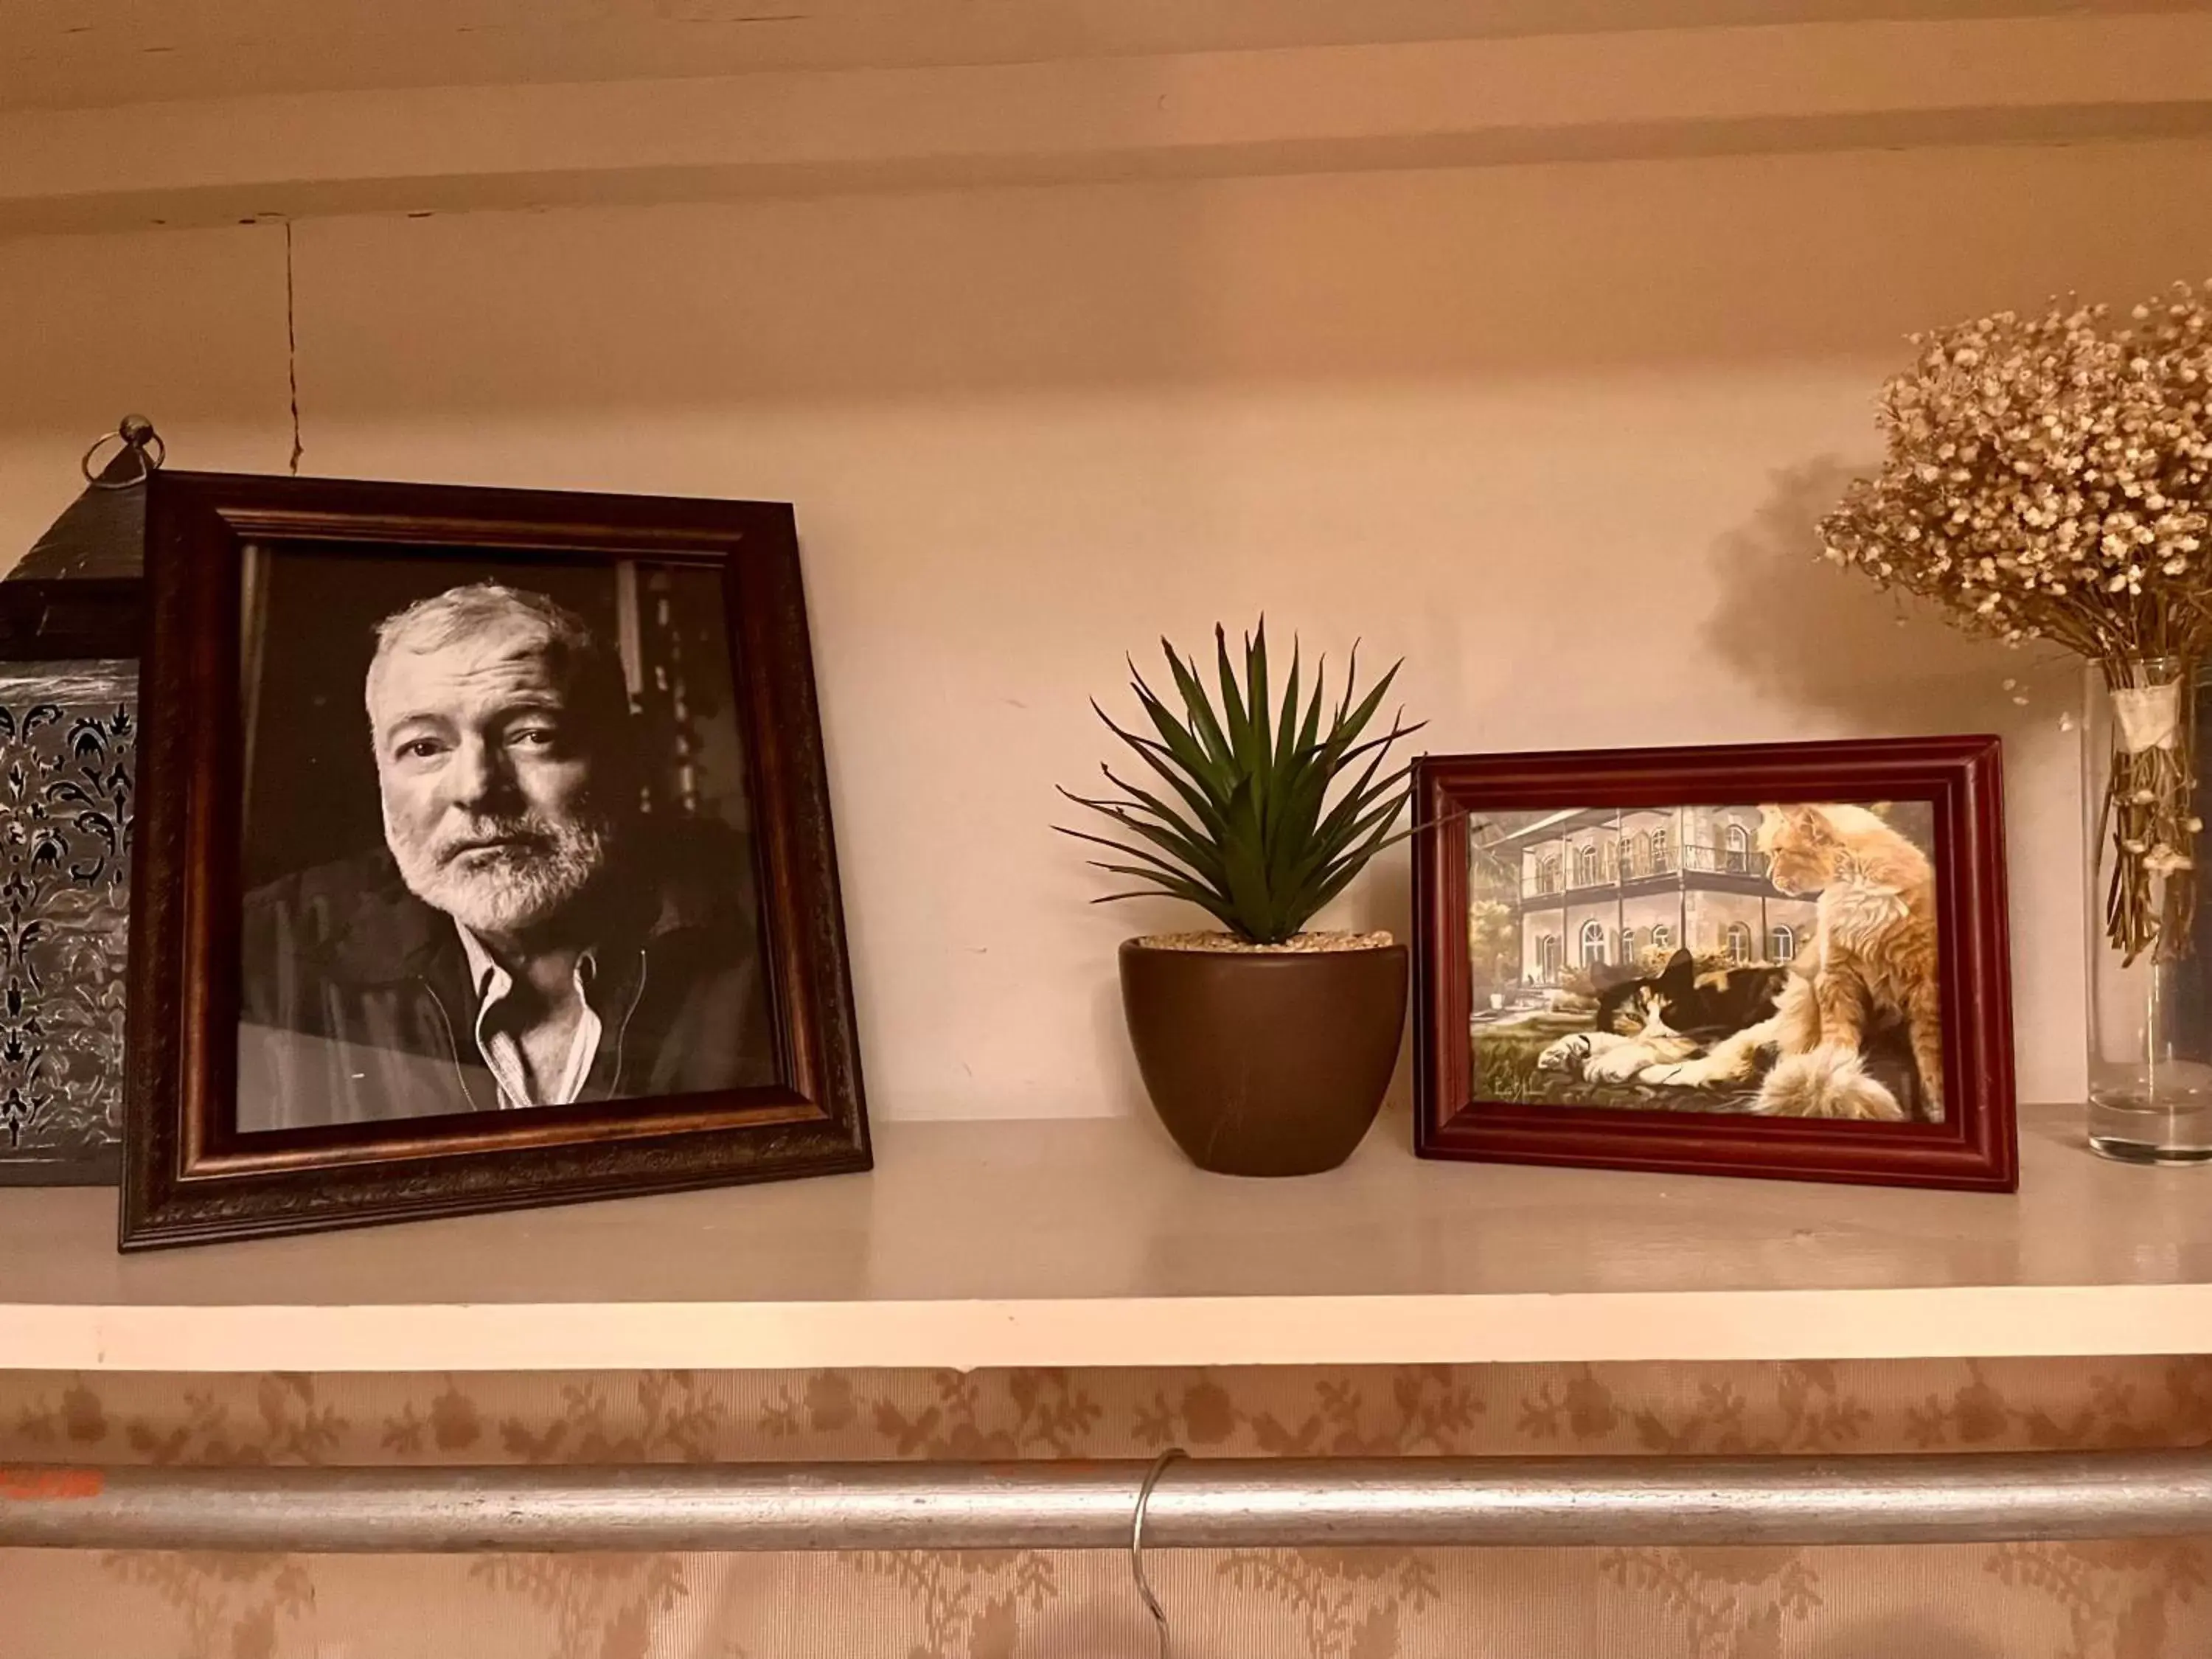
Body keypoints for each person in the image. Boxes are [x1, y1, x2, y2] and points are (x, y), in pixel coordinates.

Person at [237, 580, 777, 1132]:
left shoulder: (779, 918)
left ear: (630, 754)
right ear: (380, 773)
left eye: (531, 735)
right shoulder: (255, 959)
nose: (475, 788)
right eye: (424, 748)